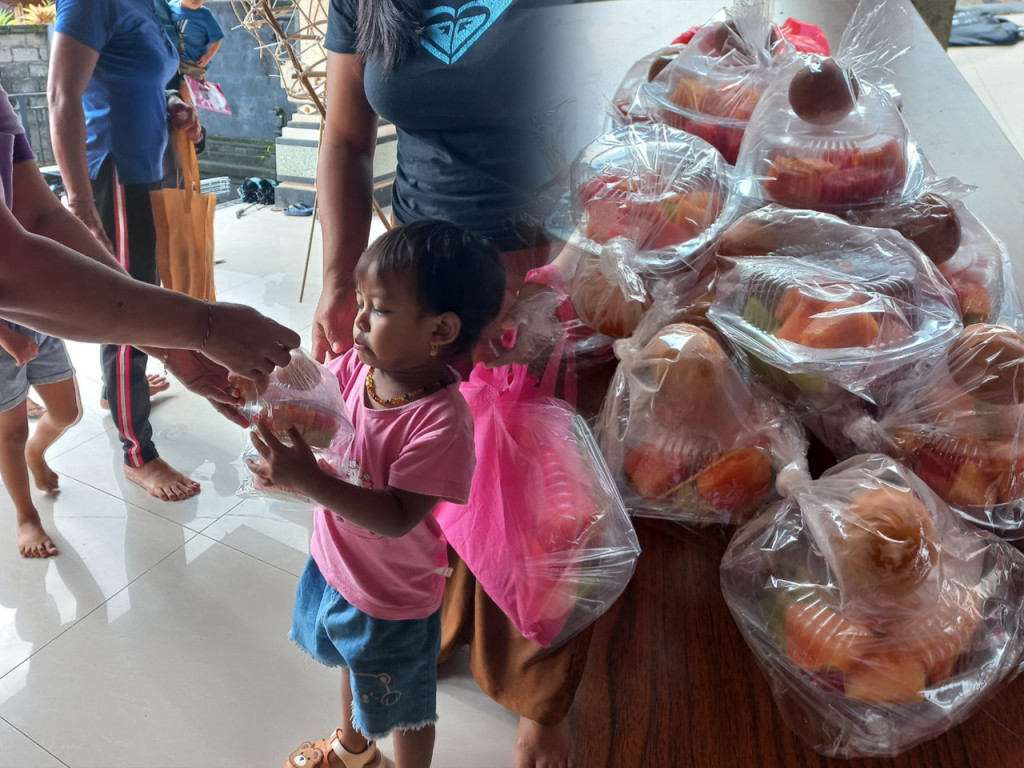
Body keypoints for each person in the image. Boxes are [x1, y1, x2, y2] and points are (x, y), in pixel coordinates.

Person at [311, 2, 589, 766]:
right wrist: (345, 280)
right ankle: (416, 633)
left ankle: (541, 701)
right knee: (415, 471)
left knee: (538, 500)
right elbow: (344, 135)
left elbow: (622, 139)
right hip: (418, 276)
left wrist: (554, 280)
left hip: (543, 269)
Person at [251, 221, 506, 768]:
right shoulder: (356, 368)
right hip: (337, 562)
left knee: (404, 707)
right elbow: (321, 424)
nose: (359, 319)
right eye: (362, 301)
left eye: (380, 309)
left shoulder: (440, 423)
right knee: (351, 663)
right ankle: (353, 749)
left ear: (440, 330)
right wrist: (265, 399)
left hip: (393, 599)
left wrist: (310, 480)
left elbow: (396, 516)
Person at [49, 0, 212, 502]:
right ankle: (137, 453)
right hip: (113, 172)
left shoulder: (149, 5)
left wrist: (174, 110)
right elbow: (61, 96)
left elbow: (137, 79)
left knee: (144, 292)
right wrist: (78, 200)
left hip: (148, 165)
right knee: (127, 309)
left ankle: (113, 390)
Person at [170, 0, 225, 78]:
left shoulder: (205, 15)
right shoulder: (171, 6)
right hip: (173, 61)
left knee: (185, 89)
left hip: (194, 64)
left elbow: (217, 38)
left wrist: (208, 56)